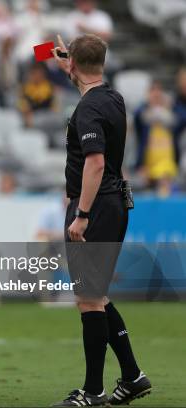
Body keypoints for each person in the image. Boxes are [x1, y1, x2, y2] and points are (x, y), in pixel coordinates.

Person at [51, 34, 151, 406]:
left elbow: (94, 162)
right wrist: (72, 68)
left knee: (89, 299)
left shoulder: (89, 108)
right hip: (114, 202)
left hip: (96, 206)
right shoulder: (112, 97)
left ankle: (93, 391)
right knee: (97, 295)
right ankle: (133, 377)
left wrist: (82, 214)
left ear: (74, 63)